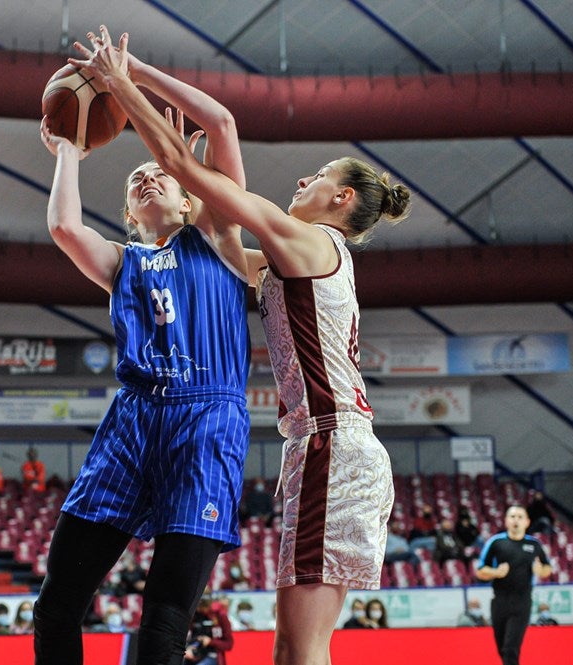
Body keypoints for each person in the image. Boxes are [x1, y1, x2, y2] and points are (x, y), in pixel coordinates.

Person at [78, 26, 411, 665]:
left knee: (299, 651)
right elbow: (218, 232)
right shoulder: (292, 257)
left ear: (341, 199)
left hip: (329, 443)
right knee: (299, 648)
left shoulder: (306, 241)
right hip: (332, 446)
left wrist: (128, 81)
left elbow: (194, 159)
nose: (303, 180)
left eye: (318, 176)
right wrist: (150, 98)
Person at [34, 29, 252, 665]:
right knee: (57, 602)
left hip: (207, 416)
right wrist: (70, 149)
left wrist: (131, 73)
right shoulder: (124, 261)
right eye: (135, 178)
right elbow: (64, 226)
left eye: (160, 171)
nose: (147, 177)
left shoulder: (215, 233)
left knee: (164, 619)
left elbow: (221, 122)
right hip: (133, 419)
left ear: (190, 198)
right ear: (130, 213)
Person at [476, 505, 553, 665]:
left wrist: (541, 570)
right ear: (506, 521)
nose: (515, 520)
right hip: (499, 602)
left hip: (522, 602)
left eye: (519, 517)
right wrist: (496, 572)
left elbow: (547, 568)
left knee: (511, 648)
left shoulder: (534, 545)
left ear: (527, 522)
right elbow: (480, 570)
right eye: (512, 516)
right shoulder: (496, 542)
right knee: (502, 648)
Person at [184, 596, 234, 665]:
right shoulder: (194, 615)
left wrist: (210, 641)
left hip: (212, 655)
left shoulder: (220, 616)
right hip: (192, 652)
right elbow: (186, 637)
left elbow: (228, 645)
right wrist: (187, 648)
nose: (201, 610)